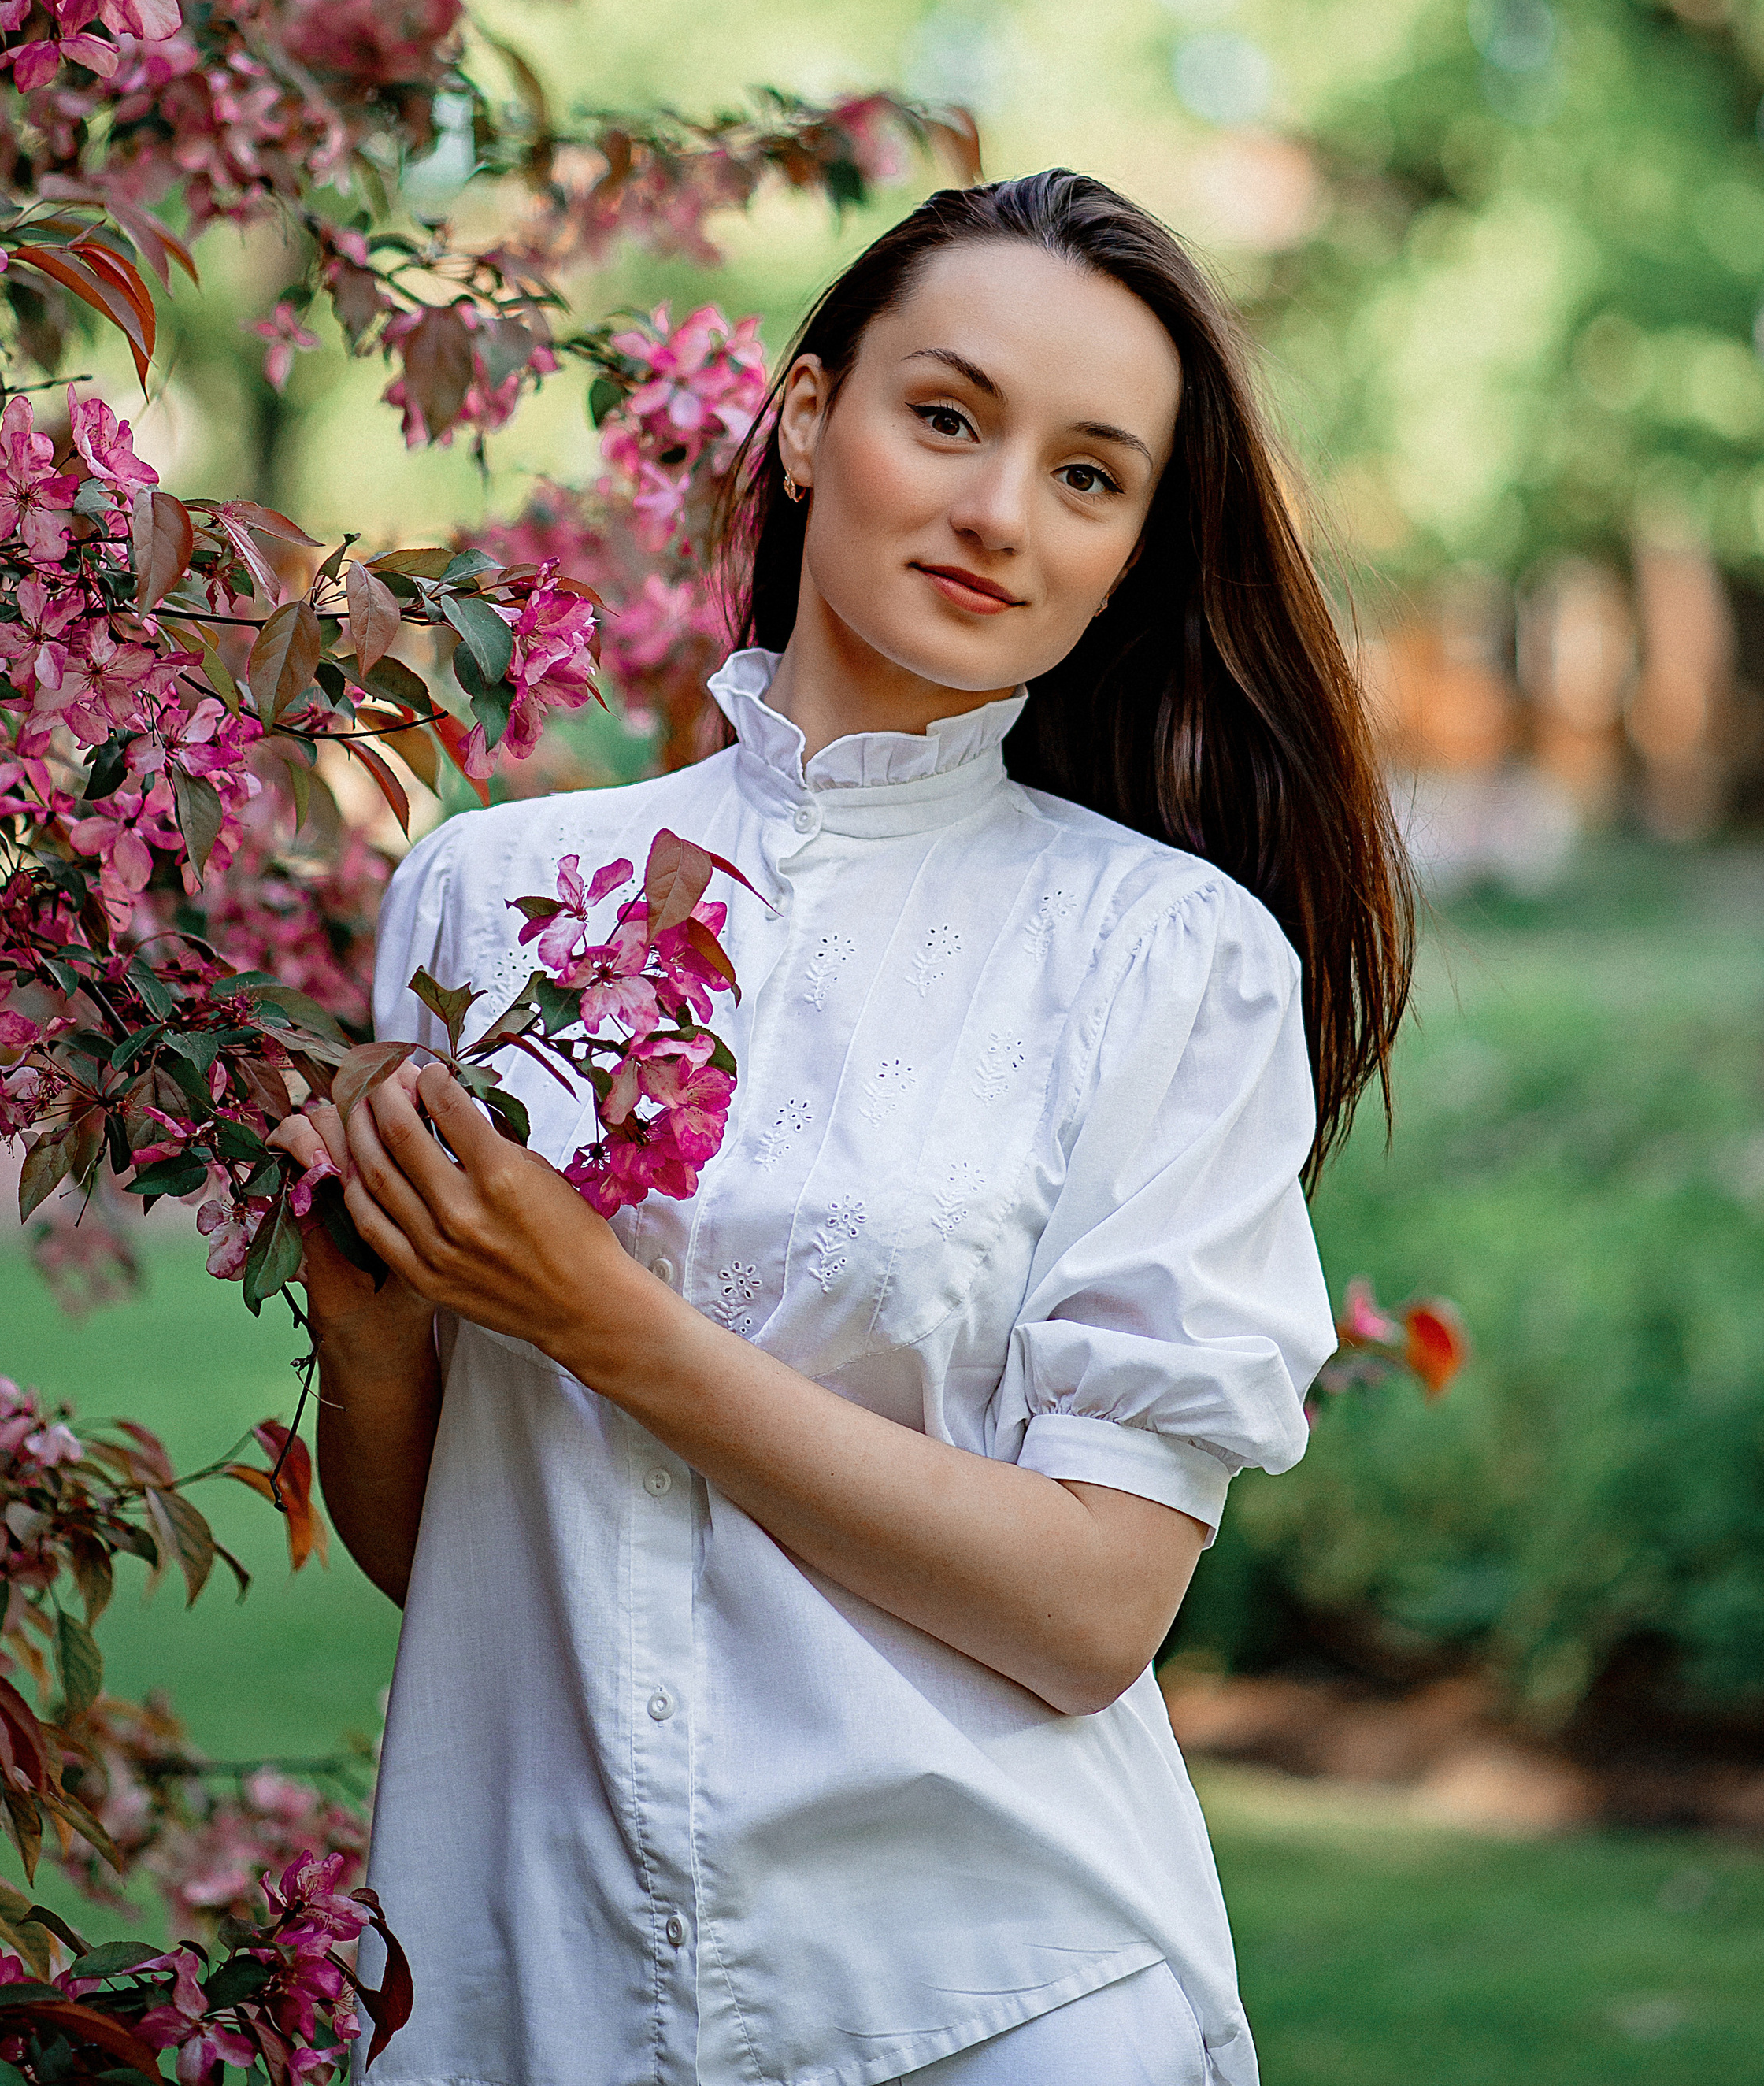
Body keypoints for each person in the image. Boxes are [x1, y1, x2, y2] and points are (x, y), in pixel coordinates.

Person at [275, 170, 1412, 2086]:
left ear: (1130, 550)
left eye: (1086, 475)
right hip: (537, 1983)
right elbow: (471, 1554)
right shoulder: (483, 897)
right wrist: (374, 1323)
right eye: (946, 417)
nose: (993, 512)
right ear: (808, 422)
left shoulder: (1166, 961)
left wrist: (600, 1320)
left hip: (995, 1997)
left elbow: (1088, 1610)